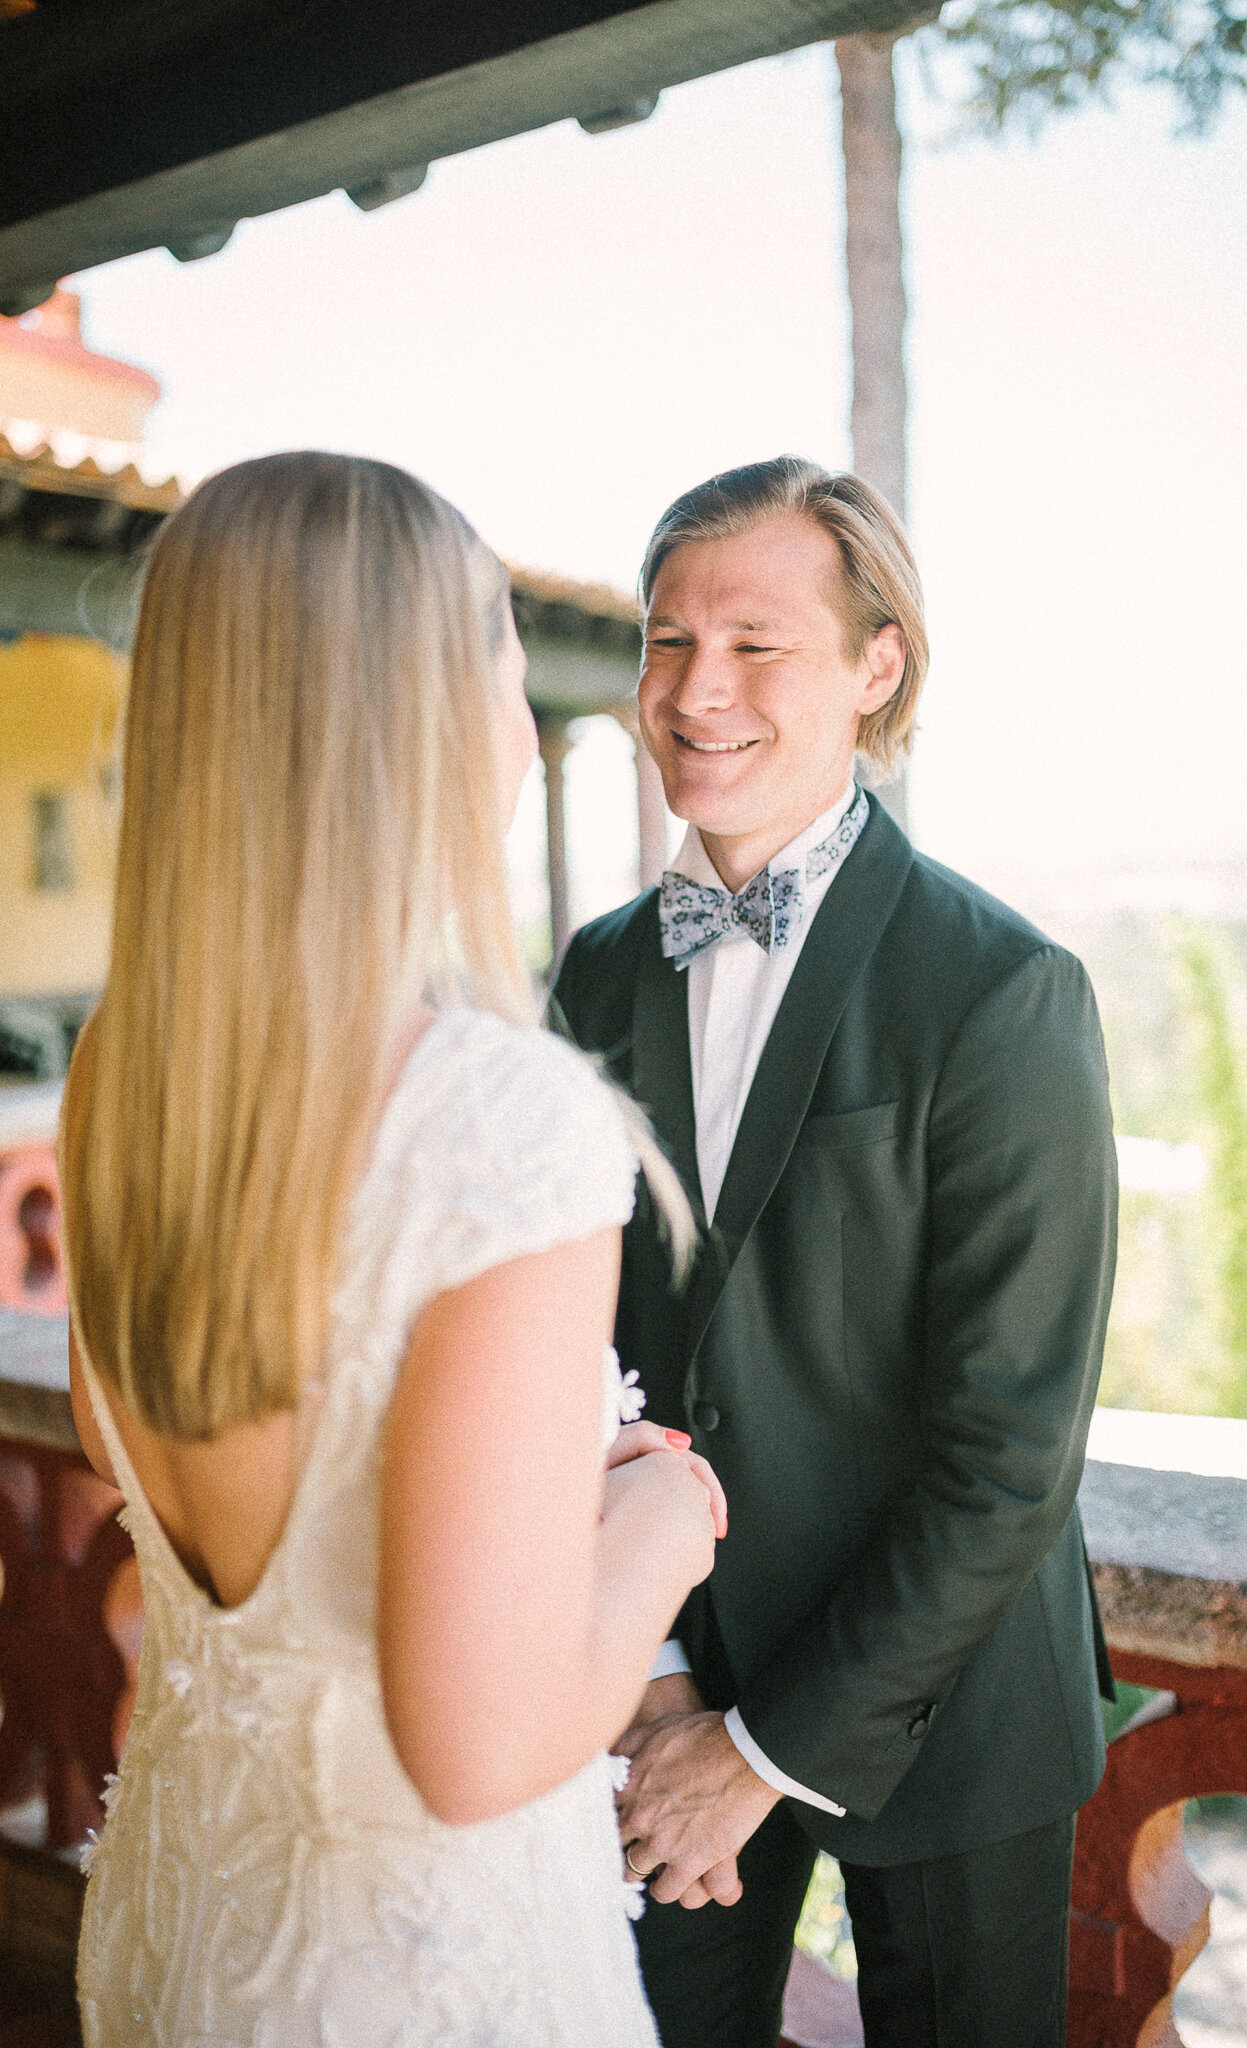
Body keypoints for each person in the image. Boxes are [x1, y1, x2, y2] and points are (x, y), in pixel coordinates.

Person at [59, 450, 726, 2047]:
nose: (520, 725)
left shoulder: (119, 1076)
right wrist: (660, 1525)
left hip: (185, 1929)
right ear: (416, 720)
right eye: (502, 666)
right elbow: (478, 1750)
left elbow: (144, 1448)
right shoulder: (501, 1120)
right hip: (421, 1977)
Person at [551, 455, 1119, 2048]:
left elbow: (1011, 1447)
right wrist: (659, 1678)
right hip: (651, 1690)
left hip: (943, 1716)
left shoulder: (1006, 990)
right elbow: (563, 1350)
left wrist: (763, 1748)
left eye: (756, 644)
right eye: (668, 641)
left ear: (878, 668)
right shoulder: (592, 979)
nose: (697, 690)